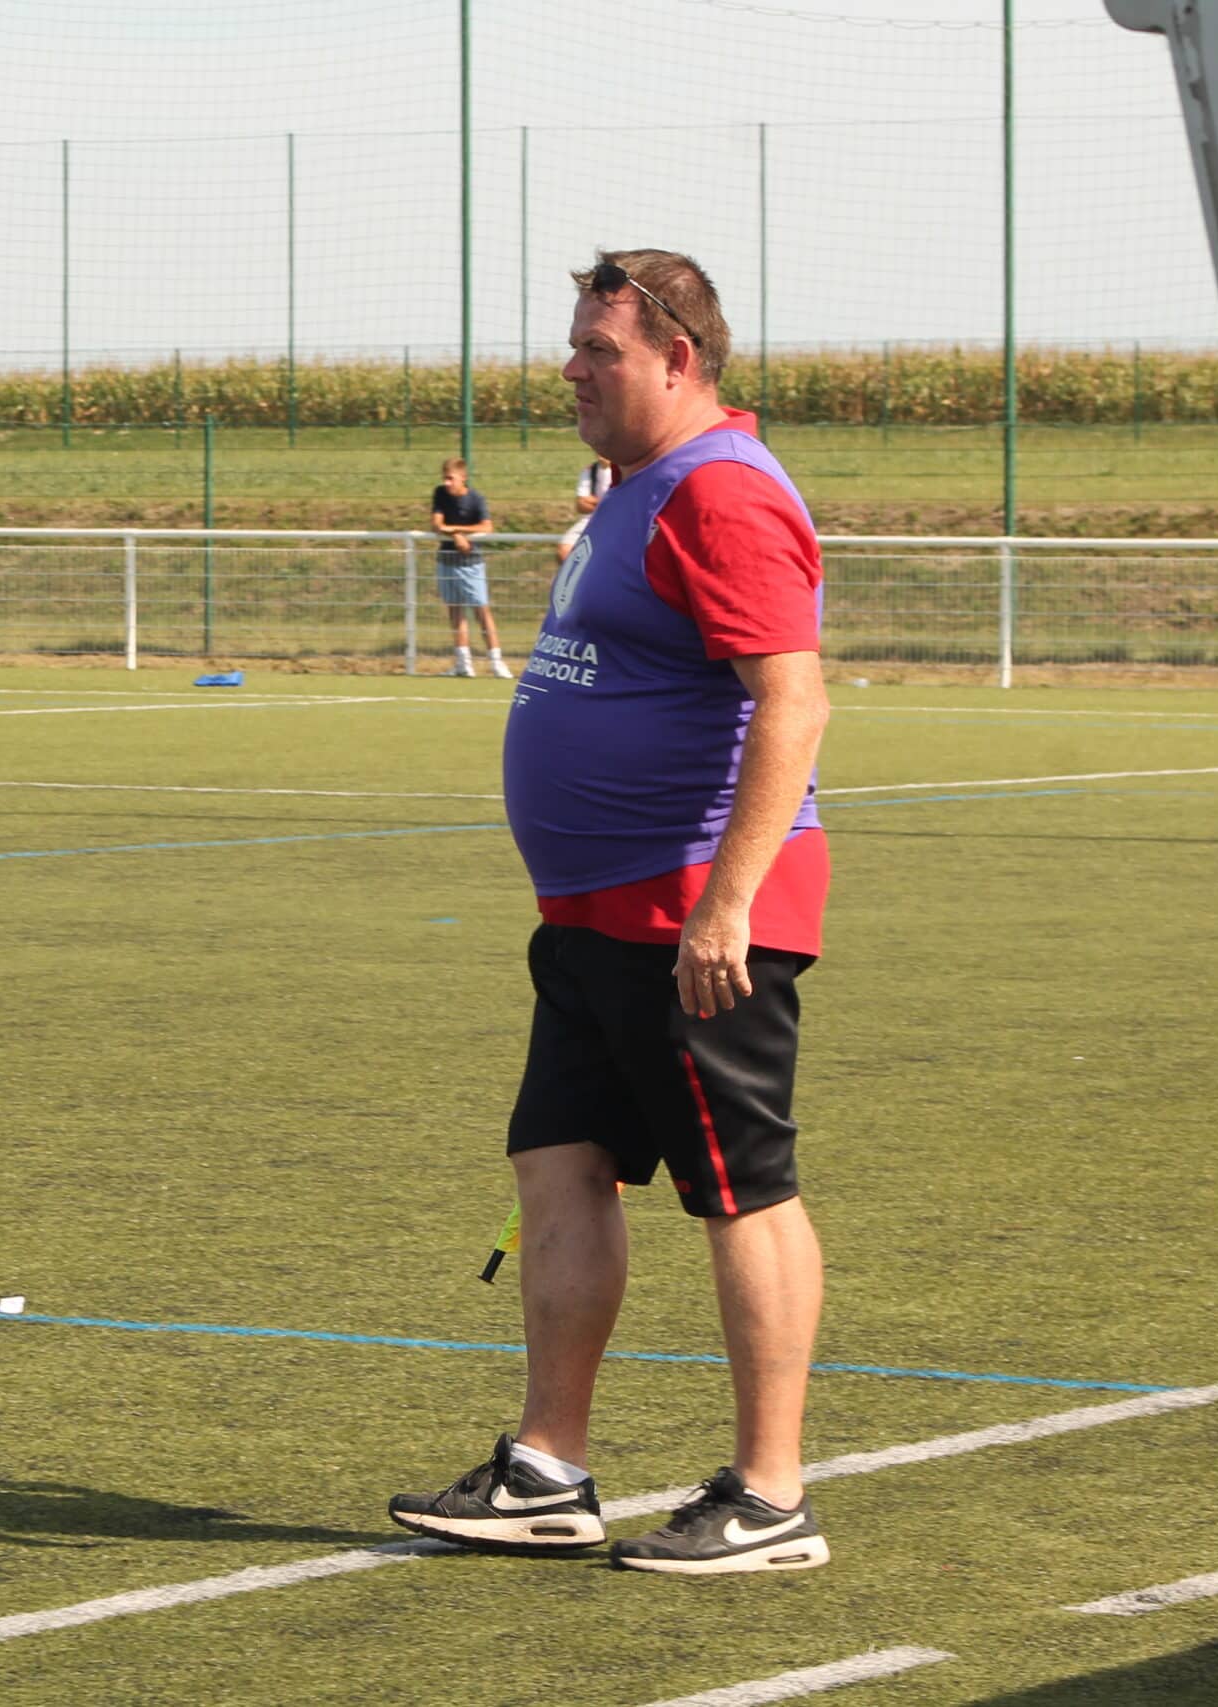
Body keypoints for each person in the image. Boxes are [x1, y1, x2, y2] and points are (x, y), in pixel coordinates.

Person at [389, 249, 835, 1574]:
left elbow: (793, 700)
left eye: (599, 349)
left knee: (739, 1190)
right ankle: (547, 1469)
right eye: (574, 346)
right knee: (558, 1162)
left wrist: (726, 904)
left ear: (677, 358)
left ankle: (770, 1496)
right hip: (593, 916)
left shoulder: (722, 491)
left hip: (690, 917)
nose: (571, 371)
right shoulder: (637, 490)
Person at [429, 457, 512, 678]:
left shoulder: (476, 499)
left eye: (451, 478)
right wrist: (456, 535)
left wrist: (459, 532)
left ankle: (496, 662)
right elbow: (436, 524)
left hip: (471, 563)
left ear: (463, 478)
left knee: (481, 611)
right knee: (455, 612)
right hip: (447, 561)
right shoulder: (440, 494)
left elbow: (487, 527)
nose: (446, 483)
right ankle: (462, 664)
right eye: (444, 478)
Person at [557, 455, 615, 566]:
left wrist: (593, 501)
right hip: (591, 520)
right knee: (564, 551)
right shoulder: (590, 471)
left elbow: (623, 503)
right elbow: (581, 505)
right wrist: (607, 502)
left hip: (618, 521)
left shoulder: (626, 471)